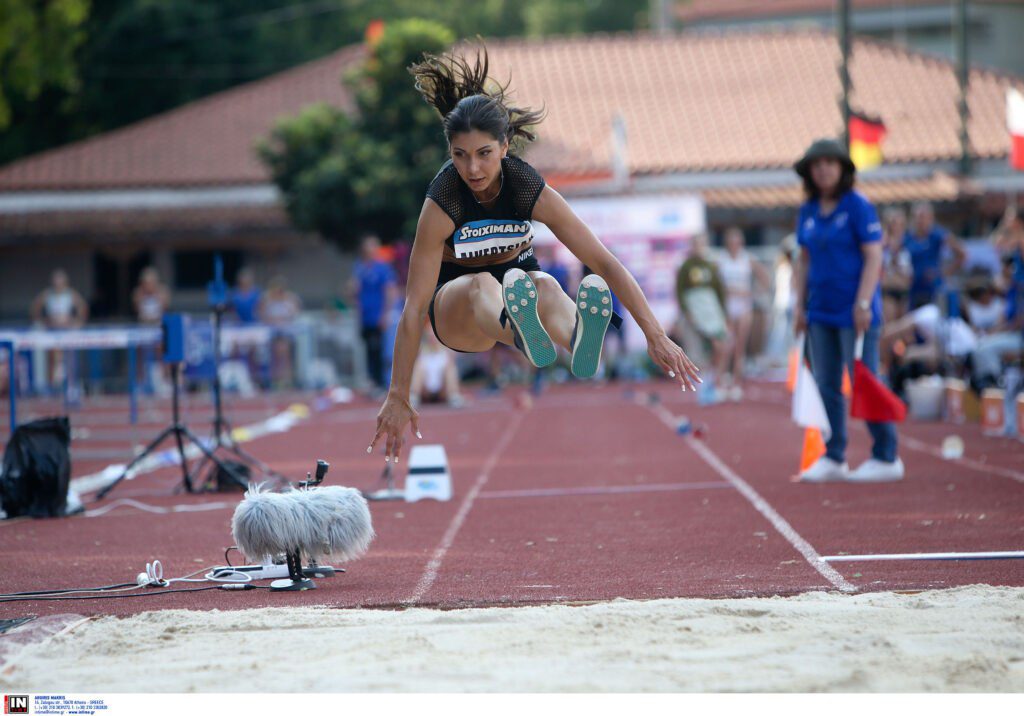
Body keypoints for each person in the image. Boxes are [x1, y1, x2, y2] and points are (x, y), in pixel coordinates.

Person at [368, 46, 700, 462]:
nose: (472, 169)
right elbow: (415, 307)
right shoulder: (443, 202)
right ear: (450, 153)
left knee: (542, 283)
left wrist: (655, 334)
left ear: (505, 147)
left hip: (519, 288)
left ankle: (580, 341)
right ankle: (522, 333)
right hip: (460, 313)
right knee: (484, 283)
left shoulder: (526, 187)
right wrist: (398, 393)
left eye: (484, 154)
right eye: (460, 155)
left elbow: (604, 262)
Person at [793, 138, 903, 482]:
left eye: (830, 162)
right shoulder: (808, 211)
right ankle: (835, 455)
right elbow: (804, 260)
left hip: (855, 313)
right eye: (817, 163)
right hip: (819, 313)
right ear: (810, 172)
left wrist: (864, 302)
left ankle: (887, 456)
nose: (823, 168)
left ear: (842, 168)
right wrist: (798, 306)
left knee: (863, 379)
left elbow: (874, 256)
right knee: (826, 384)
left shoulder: (858, 206)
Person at [676, 232, 730, 402]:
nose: (699, 247)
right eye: (696, 244)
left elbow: (719, 290)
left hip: (712, 311)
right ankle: (705, 386)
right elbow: (680, 292)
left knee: (721, 346)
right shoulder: (686, 267)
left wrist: (723, 313)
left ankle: (714, 380)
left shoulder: (711, 266)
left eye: (702, 243)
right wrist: (687, 313)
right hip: (696, 312)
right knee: (701, 351)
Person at [718, 227, 770, 400]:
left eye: (737, 241)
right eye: (731, 241)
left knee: (740, 347)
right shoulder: (722, 260)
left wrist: (755, 292)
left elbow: (765, 277)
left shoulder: (747, 259)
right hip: (728, 307)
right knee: (726, 346)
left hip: (744, 307)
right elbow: (718, 285)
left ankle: (736, 384)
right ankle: (721, 383)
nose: (734, 244)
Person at [349, 235, 398, 391]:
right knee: (368, 349)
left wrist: (386, 314)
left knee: (381, 349)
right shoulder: (359, 267)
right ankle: (372, 380)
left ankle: (382, 382)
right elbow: (354, 291)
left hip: (378, 314)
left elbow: (389, 291)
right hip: (365, 316)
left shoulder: (382, 268)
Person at [30, 269, 89, 388]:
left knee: (69, 358)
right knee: (52, 358)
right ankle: (51, 386)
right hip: (52, 330)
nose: (58, 284)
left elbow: (83, 307)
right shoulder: (47, 294)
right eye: (56, 281)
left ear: (65, 282)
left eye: (60, 281)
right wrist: (42, 321)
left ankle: (70, 384)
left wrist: (77, 322)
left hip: (67, 331)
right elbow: (34, 307)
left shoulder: (71, 294)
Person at [903, 201, 965, 309]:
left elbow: (962, 254)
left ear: (930, 218)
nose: (920, 221)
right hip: (913, 288)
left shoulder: (937, 234)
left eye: (923, 217)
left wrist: (945, 272)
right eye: (917, 217)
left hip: (933, 287)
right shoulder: (908, 237)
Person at [259, 275, 302, 389]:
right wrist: (273, 320)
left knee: (285, 351)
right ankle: (273, 378)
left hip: (286, 333)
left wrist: (282, 319)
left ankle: (287, 378)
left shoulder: (290, 298)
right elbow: (262, 315)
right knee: (274, 353)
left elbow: (295, 313)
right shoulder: (266, 299)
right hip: (272, 333)